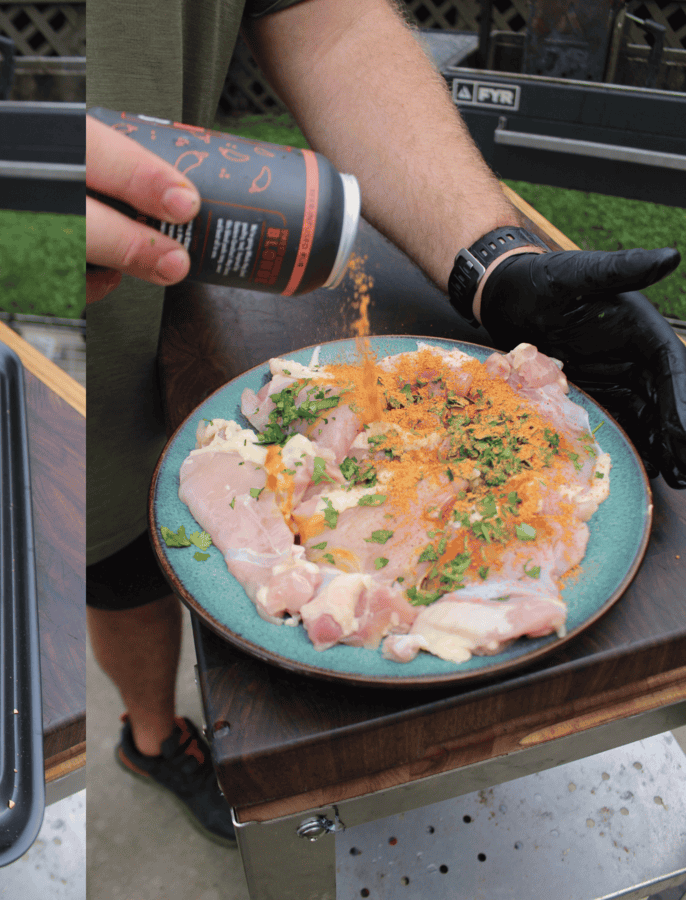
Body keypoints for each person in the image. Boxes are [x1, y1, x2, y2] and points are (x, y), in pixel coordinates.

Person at [85, 0, 686, 847]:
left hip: (175, 259)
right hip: (80, 358)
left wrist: (494, 263)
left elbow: (325, 19)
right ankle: (152, 735)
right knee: (115, 563)